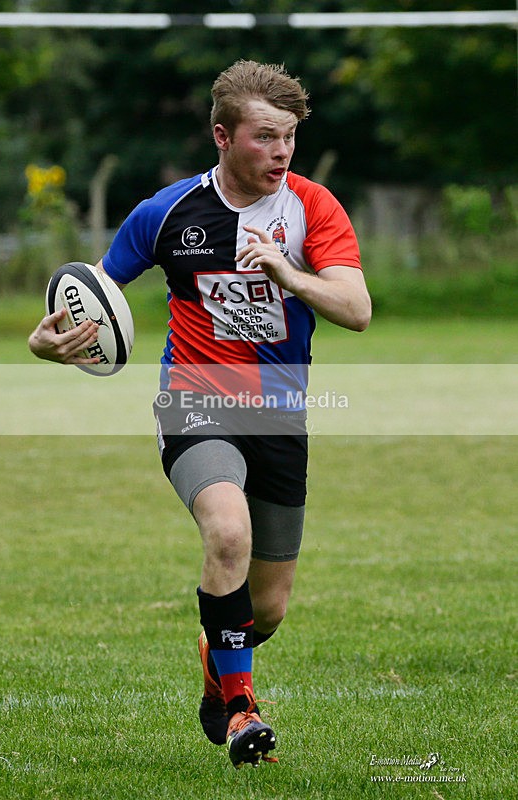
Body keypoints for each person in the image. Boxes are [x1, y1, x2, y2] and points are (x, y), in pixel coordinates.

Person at [28, 59, 371, 769]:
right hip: (194, 403)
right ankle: (244, 711)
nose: (280, 152)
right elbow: (90, 299)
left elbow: (357, 310)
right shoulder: (166, 213)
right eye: (264, 137)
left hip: (280, 418)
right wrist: (48, 340)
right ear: (222, 135)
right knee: (226, 531)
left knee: (267, 609)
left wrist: (286, 272)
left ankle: (220, 670)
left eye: (289, 138)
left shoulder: (313, 208)